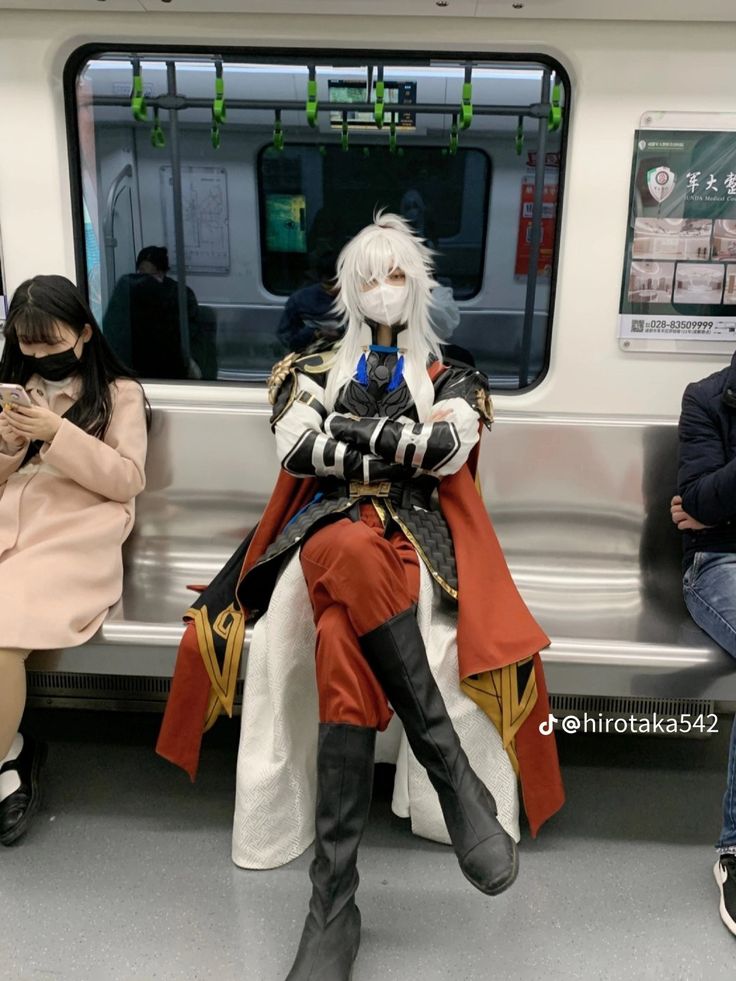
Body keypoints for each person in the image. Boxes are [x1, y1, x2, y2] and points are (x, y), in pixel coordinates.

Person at [157, 214, 563, 981]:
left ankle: (333, 905)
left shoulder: (453, 371)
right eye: (370, 277)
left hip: (412, 539)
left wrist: (352, 436)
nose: (384, 290)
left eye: (399, 275)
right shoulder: (308, 365)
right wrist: (399, 440)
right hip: (324, 530)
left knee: (342, 627)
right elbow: (298, 448)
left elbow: (448, 453)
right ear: (348, 289)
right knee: (340, 546)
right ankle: (451, 769)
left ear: (419, 285)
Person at [0, 275, 148, 846]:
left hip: (73, 539)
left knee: (4, 629)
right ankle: (12, 750)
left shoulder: (120, 394)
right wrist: (11, 446)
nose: (41, 357)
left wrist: (57, 432)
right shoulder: (16, 387)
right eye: (28, 346)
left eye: (52, 342)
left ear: (84, 334)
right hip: (14, 526)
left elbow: (127, 478)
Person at [671, 350, 736, 936]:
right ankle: (735, 849)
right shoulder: (708, 398)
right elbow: (698, 503)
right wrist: (710, 508)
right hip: (719, 565)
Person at [103, 246, 201, 380]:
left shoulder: (179, 295)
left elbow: (189, 336)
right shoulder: (129, 292)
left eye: (153, 275)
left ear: (162, 273)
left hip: (168, 368)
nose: (147, 281)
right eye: (142, 274)